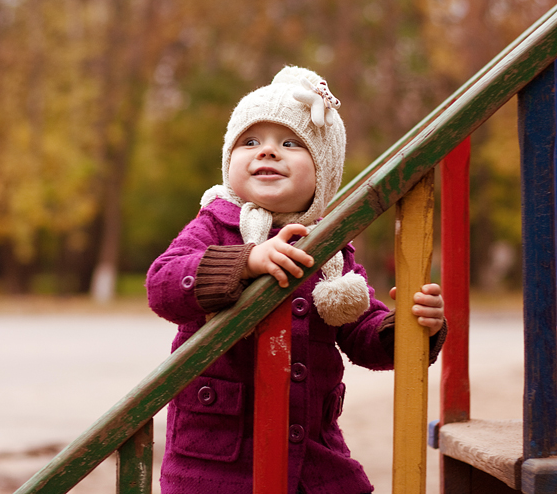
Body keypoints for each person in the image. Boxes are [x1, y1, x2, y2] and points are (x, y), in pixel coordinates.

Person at [146, 66, 446, 494]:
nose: (267, 152)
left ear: (322, 173)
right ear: (230, 161)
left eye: (290, 143)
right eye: (250, 142)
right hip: (219, 458)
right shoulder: (214, 224)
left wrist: (411, 326)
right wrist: (247, 260)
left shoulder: (329, 245)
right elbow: (162, 285)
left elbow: (359, 329)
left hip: (311, 454)